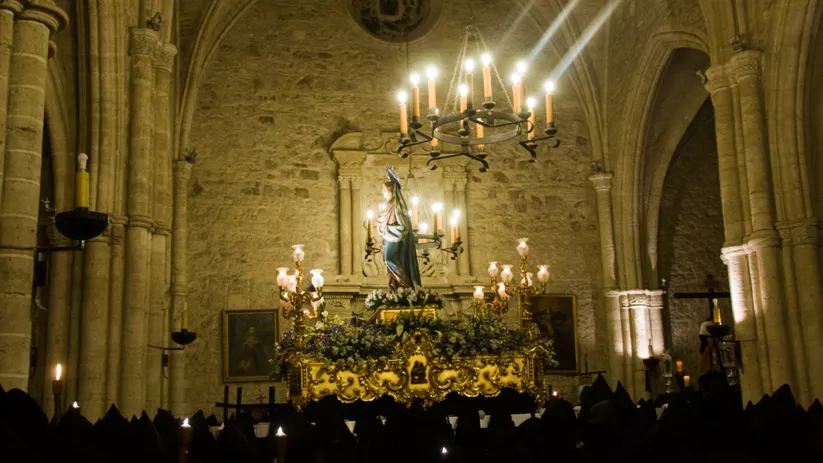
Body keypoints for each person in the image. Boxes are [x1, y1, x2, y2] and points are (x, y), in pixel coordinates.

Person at [376, 168, 422, 291]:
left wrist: (388, 231)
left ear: (390, 190)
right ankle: (397, 288)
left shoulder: (396, 205)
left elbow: (403, 226)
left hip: (393, 238)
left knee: (389, 259)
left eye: (384, 190)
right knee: (388, 262)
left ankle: (406, 285)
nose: (382, 192)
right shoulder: (389, 204)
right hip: (388, 238)